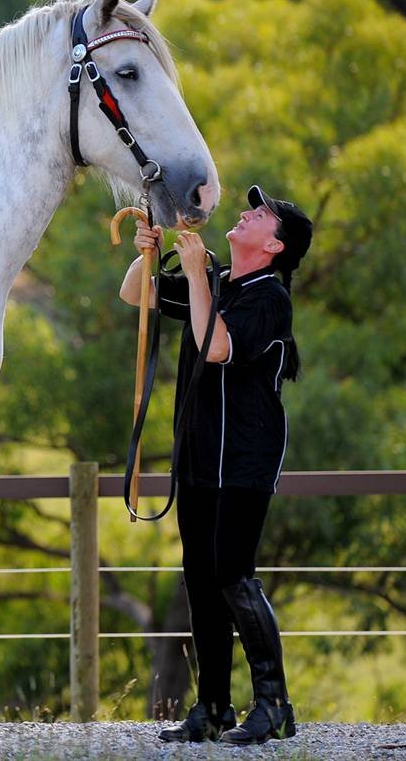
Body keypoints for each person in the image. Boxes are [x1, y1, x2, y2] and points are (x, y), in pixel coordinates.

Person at [119, 185, 313, 745]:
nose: (250, 211)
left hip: (246, 457)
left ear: (274, 246)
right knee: (202, 582)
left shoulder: (267, 297)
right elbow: (136, 293)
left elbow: (217, 346)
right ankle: (214, 708)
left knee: (231, 574)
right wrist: (149, 251)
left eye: (263, 214)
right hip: (201, 454)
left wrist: (200, 276)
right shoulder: (220, 280)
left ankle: (274, 704)